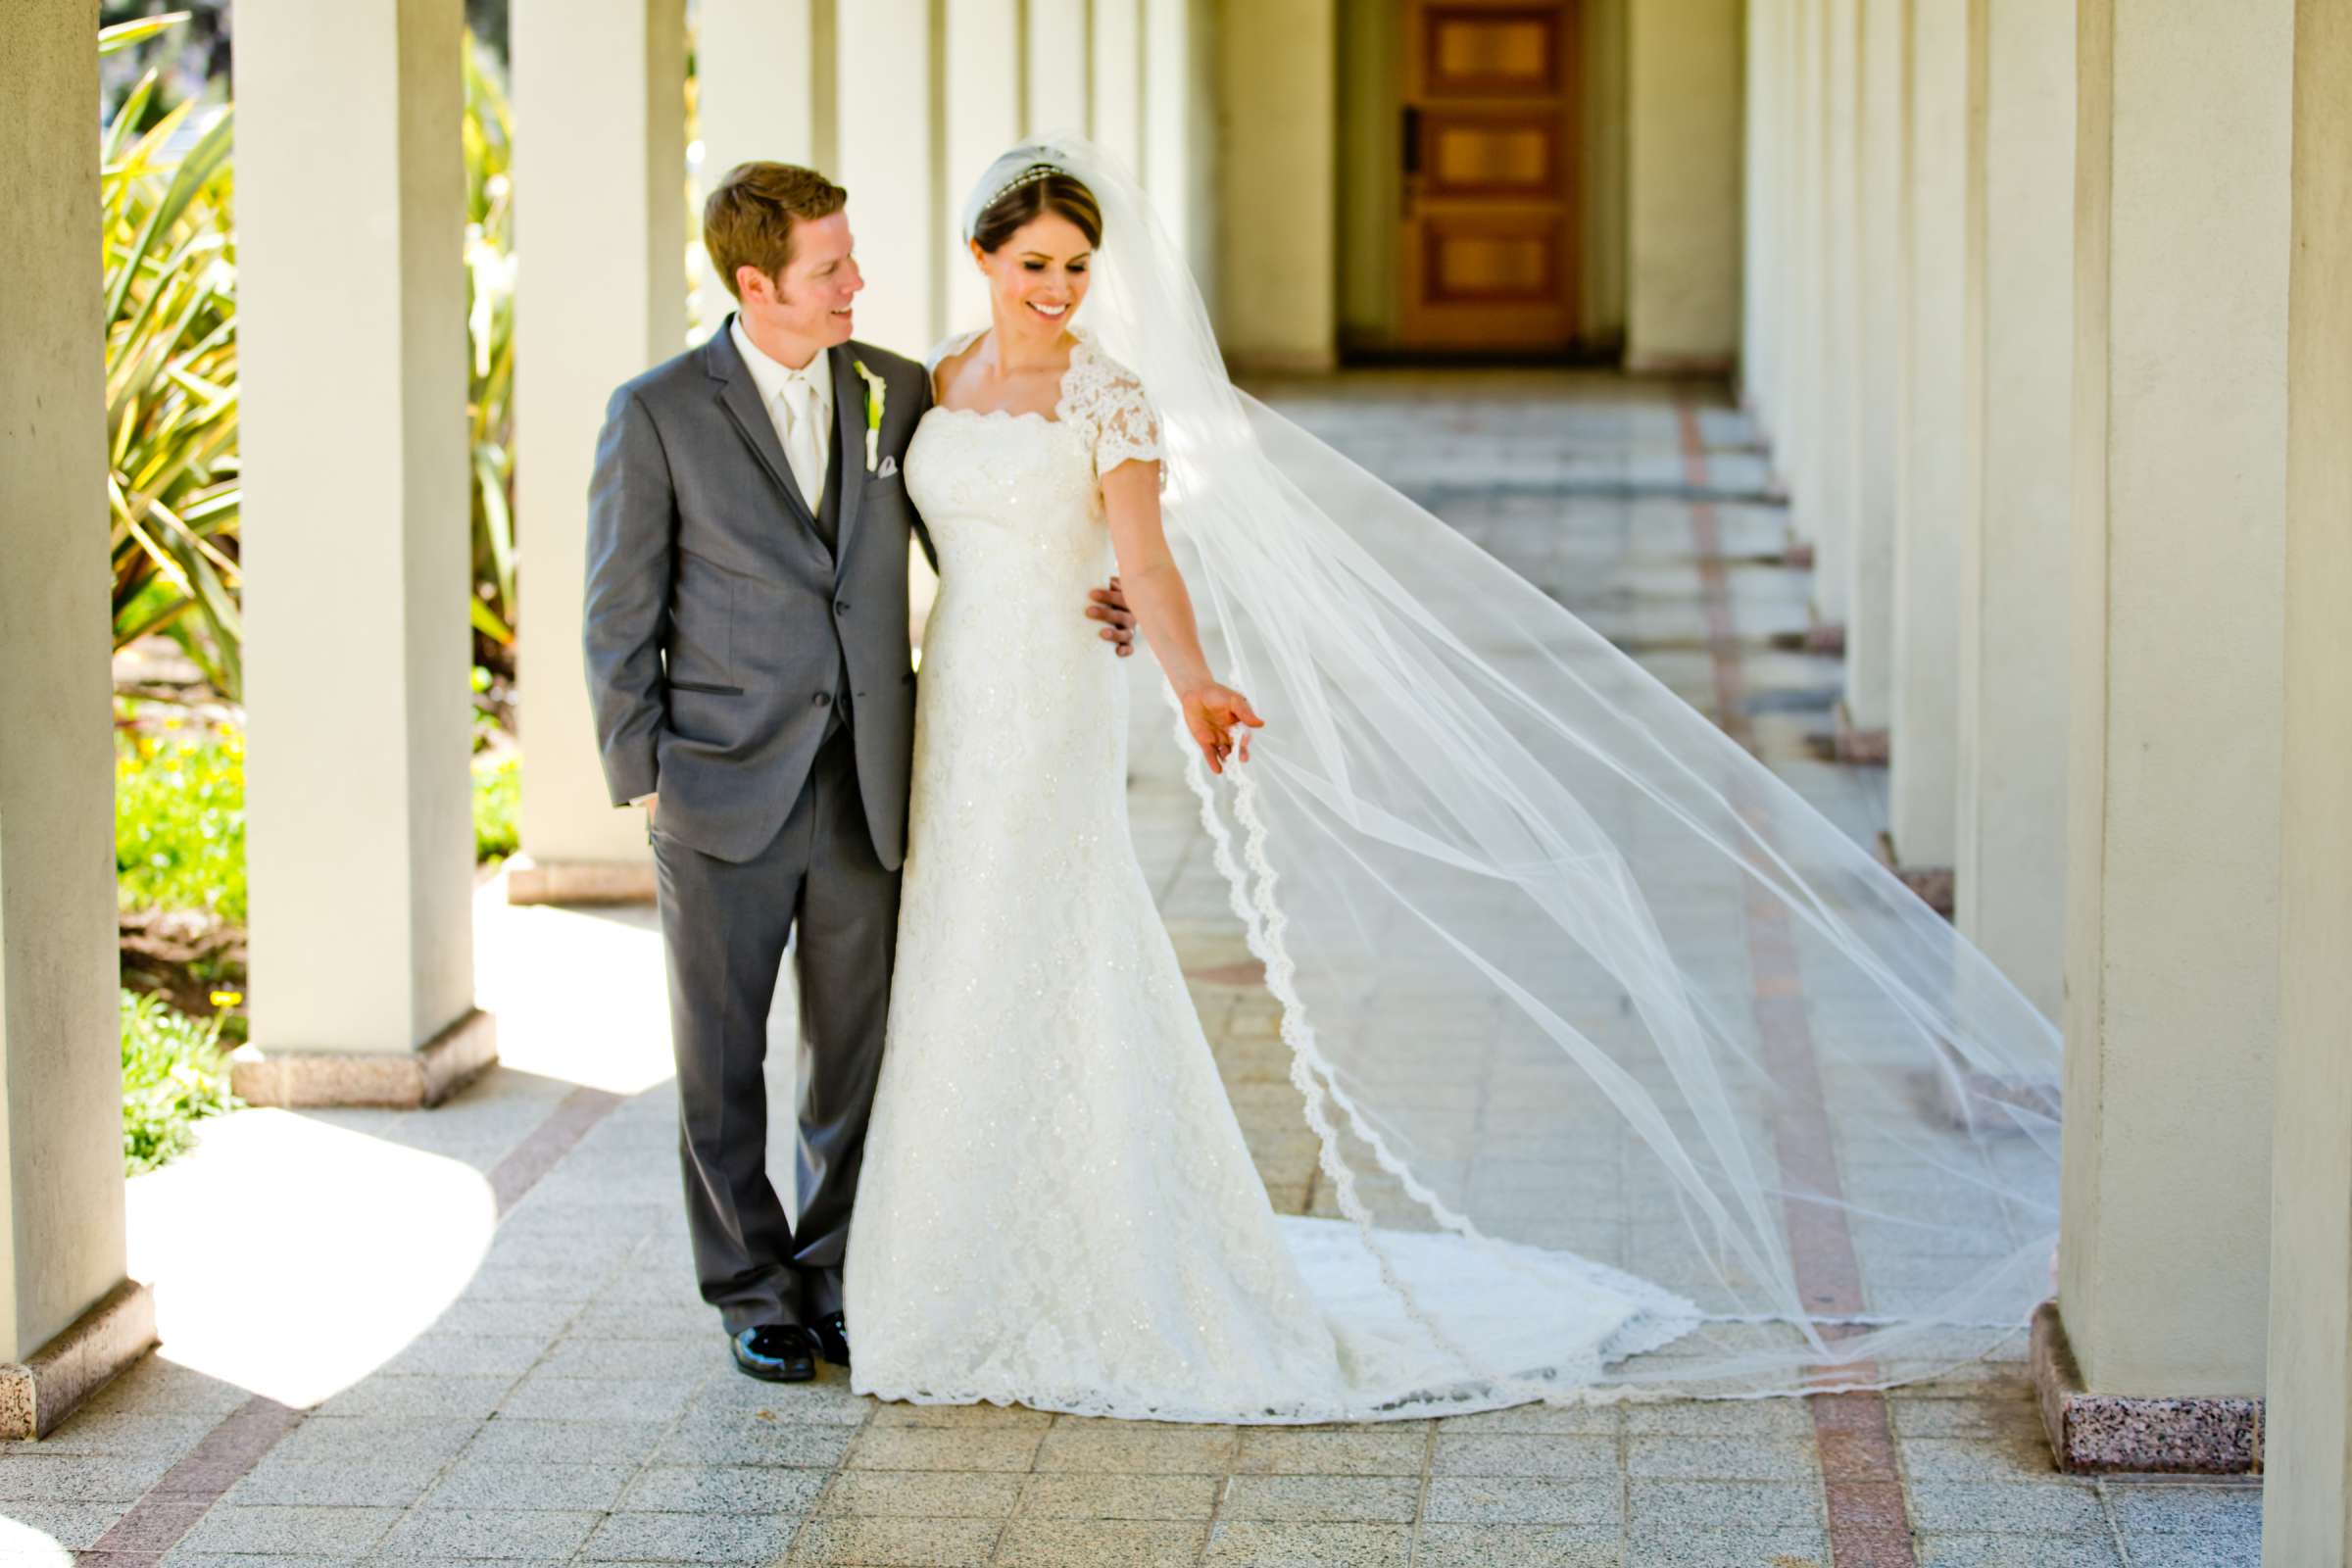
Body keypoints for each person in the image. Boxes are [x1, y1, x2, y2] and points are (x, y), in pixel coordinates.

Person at [840, 135, 2065, 1420]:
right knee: (957, 945)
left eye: (1078, 266)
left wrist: (1190, 673)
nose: (1058, 287)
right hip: (958, 699)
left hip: (1051, 704)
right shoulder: (937, 380)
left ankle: (1104, 1244)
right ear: (982, 256)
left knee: (1053, 939)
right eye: (1034, 262)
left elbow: (1144, 560)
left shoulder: (1110, 399)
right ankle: (951, 1252)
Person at [581, 162, 1136, 1385]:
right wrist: (648, 777)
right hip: (719, 783)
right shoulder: (658, 410)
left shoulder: (896, 389)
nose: (858, 282)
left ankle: (833, 1273)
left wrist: (1095, 587)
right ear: (755, 281)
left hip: (871, 779)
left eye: (852, 258)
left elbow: (985, 527)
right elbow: (616, 612)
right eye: (832, 268)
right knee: (722, 1064)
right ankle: (749, 1288)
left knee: (856, 1047)